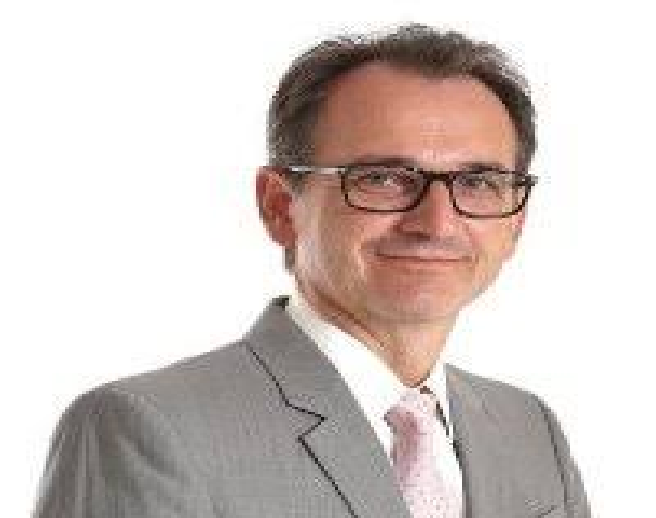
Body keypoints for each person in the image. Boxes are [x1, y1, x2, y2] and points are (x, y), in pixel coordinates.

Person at [33, 24, 591, 518]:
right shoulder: (149, 427)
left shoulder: (529, 429)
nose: (436, 223)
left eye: (479, 183)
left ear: (516, 221)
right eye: (383, 178)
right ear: (280, 206)